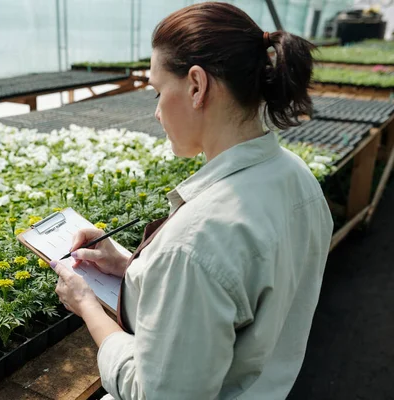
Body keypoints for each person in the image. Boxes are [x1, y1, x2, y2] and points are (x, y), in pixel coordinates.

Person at [50, 2, 334, 399]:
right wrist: (131, 266)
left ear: (197, 86)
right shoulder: (297, 178)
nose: (157, 112)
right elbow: (238, 296)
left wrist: (87, 305)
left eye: (157, 92)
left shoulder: (195, 242)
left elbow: (156, 392)